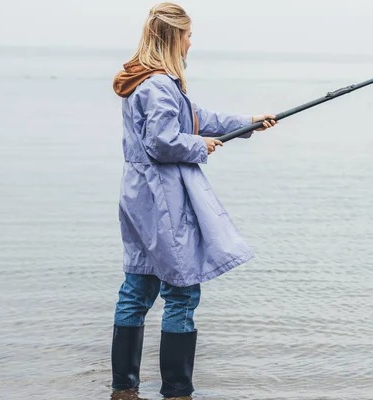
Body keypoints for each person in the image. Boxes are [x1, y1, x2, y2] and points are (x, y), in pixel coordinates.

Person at [109, 2, 277, 398]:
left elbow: (195, 117)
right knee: (182, 291)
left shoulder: (144, 81)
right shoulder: (159, 85)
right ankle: (177, 390)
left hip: (138, 197)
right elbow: (163, 142)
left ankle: (123, 387)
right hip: (163, 199)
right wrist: (199, 146)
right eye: (187, 34)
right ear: (173, 38)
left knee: (138, 287)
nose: (191, 41)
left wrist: (249, 123)